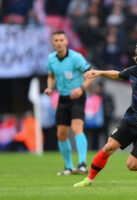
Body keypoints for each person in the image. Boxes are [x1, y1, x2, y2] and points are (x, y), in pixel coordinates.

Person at [73, 42, 137, 187]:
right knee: (108, 147)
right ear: (136, 62)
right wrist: (99, 72)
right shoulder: (133, 71)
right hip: (130, 120)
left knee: (132, 165)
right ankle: (89, 180)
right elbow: (117, 75)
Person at [44, 30, 94, 175]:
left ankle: (83, 164)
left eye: (61, 40)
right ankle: (68, 167)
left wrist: (81, 88)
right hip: (63, 97)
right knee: (61, 133)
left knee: (77, 127)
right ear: (53, 43)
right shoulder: (51, 59)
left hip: (78, 96)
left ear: (66, 42)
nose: (59, 43)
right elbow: (51, 76)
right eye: (56, 40)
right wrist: (50, 87)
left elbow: (91, 75)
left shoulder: (76, 57)